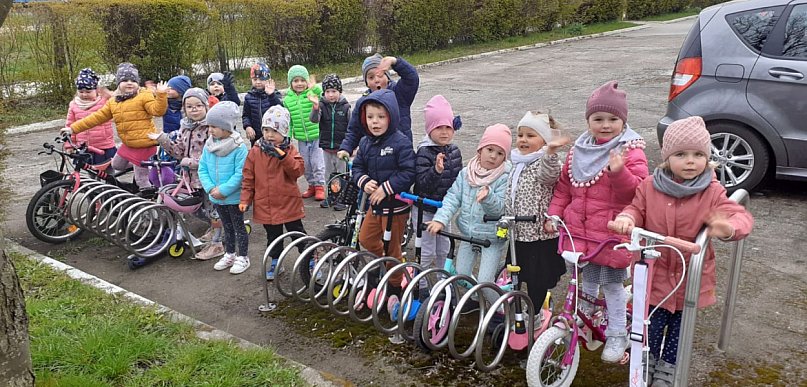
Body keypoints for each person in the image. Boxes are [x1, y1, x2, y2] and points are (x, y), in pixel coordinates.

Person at [611, 116, 753, 387]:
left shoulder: (711, 191)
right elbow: (636, 208)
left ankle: (668, 370)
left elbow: (737, 215)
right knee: (648, 326)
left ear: (708, 158)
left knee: (679, 331)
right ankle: (647, 362)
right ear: (666, 158)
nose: (690, 161)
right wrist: (627, 219)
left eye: (698, 154)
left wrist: (728, 227)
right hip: (654, 274)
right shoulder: (649, 186)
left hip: (690, 277)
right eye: (681, 154)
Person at [546, 80, 649, 363]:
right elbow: (565, 189)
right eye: (598, 119)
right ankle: (586, 313)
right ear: (588, 120)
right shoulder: (579, 150)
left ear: (623, 120)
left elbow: (638, 193)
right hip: (580, 231)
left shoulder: (630, 150)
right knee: (584, 278)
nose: (605, 125)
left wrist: (618, 172)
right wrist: (555, 214)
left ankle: (617, 332)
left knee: (613, 286)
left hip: (612, 234)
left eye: (613, 119)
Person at [427, 124, 512, 313]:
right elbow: (452, 198)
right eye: (490, 150)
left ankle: (501, 310)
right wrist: (440, 219)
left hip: (491, 238)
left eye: (500, 154)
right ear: (480, 149)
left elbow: (501, 207)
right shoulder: (467, 173)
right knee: (462, 274)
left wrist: (488, 197)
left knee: (485, 281)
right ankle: (475, 298)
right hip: (467, 234)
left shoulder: (504, 177)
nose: (493, 156)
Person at [61, 62, 168, 193]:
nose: (129, 83)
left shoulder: (143, 96)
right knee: (116, 165)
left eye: (133, 80)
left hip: (144, 144)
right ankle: (145, 166)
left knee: (142, 180)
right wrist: (73, 129)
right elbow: (96, 118)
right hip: (128, 144)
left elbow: (158, 111)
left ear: (137, 82)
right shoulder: (114, 102)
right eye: (124, 80)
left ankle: (149, 204)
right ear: (118, 83)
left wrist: (161, 95)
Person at [504, 111, 568, 327]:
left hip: (539, 235)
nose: (523, 140)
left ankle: (536, 312)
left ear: (544, 140)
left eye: (530, 136)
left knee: (536, 280)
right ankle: (519, 311)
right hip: (518, 233)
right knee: (515, 276)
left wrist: (550, 152)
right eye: (520, 135)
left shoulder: (544, 163)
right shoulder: (517, 163)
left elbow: (550, 176)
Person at [352, 90, 416, 297]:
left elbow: (408, 173)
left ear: (391, 117)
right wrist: (364, 181)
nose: (375, 122)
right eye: (370, 117)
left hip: (395, 207)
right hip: (375, 205)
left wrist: (386, 187)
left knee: (392, 246)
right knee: (366, 238)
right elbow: (357, 167)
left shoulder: (401, 142)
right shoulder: (365, 142)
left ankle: (395, 286)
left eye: (381, 117)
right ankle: (389, 265)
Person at [148, 87, 224, 260]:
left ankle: (217, 244)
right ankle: (217, 228)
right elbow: (179, 152)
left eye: (198, 105)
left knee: (213, 211)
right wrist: (163, 139)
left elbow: (212, 156)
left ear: (206, 106)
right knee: (196, 210)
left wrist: (190, 163)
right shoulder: (185, 127)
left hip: (209, 178)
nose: (194, 109)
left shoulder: (210, 129)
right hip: (190, 179)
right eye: (189, 106)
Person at [239, 105, 307, 281]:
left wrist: (283, 157)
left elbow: (297, 171)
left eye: (275, 131)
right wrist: (245, 199)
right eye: (266, 130)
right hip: (266, 204)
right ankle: (276, 260)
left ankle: (309, 258)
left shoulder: (289, 150)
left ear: (284, 132)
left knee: (297, 232)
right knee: (273, 236)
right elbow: (248, 177)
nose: (269, 135)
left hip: (288, 202)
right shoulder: (255, 151)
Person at [412, 95, 463, 302]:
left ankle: (444, 282)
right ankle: (421, 285)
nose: (444, 132)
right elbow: (422, 184)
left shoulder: (454, 151)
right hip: (425, 209)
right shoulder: (424, 152)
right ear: (429, 129)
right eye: (439, 127)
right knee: (426, 250)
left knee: (444, 248)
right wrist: (436, 170)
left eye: (448, 127)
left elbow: (459, 182)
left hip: (444, 210)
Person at [198, 101, 250, 274]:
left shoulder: (238, 147)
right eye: (209, 126)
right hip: (216, 195)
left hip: (233, 197)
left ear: (226, 126)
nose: (210, 130)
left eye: (214, 126)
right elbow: (202, 168)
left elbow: (240, 173)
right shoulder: (209, 144)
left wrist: (224, 190)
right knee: (225, 226)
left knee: (238, 227)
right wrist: (211, 188)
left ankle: (243, 257)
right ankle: (229, 253)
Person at [337, 53, 419, 159]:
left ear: (388, 76)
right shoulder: (363, 103)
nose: (376, 80)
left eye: (380, 75)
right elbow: (354, 130)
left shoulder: (399, 93)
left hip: (401, 155)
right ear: (366, 82)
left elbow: (412, 78)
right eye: (371, 77)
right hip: (374, 158)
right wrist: (346, 148)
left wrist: (395, 62)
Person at [308, 74, 351, 209]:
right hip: (327, 147)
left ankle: (342, 199)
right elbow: (314, 120)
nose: (331, 95)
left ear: (340, 92)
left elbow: (352, 127)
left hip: (341, 148)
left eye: (334, 91)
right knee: (329, 175)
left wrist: (352, 146)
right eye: (327, 91)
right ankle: (331, 197)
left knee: (342, 174)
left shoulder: (345, 107)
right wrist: (315, 108)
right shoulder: (321, 105)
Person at [284, 64, 326, 201]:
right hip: (302, 138)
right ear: (290, 83)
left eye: (302, 80)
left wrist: (314, 87)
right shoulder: (287, 100)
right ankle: (311, 185)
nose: (299, 84)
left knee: (317, 162)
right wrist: (287, 136)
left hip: (316, 136)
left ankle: (320, 186)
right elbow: (288, 120)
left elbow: (322, 94)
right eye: (296, 81)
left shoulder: (312, 93)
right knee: (306, 164)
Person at [65, 68, 117, 164]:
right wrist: (69, 145)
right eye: (81, 91)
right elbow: (69, 125)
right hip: (84, 147)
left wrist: (110, 94)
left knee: (108, 172)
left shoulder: (104, 102)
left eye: (88, 92)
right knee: (91, 173)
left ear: (96, 90)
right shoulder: (74, 105)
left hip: (104, 145)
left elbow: (119, 100)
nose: (84, 94)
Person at [242, 62, 282, 146]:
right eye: (255, 79)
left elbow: (281, 110)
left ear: (268, 79)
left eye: (261, 79)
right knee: (257, 157)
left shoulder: (274, 94)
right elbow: (246, 115)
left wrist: (271, 95)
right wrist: (248, 126)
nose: (258, 82)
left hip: (272, 134)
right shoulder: (248, 97)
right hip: (256, 135)